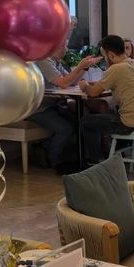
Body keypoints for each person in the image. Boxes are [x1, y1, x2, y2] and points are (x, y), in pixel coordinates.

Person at [28, 37, 102, 172]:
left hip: (53, 105)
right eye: (63, 47)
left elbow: (71, 82)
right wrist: (79, 66)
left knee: (79, 123)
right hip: (39, 108)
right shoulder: (44, 61)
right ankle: (53, 160)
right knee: (65, 129)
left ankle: (51, 150)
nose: (65, 50)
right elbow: (63, 83)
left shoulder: (57, 63)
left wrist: (85, 68)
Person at [79, 35, 134, 162]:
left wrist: (84, 85)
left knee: (86, 122)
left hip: (131, 124)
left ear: (111, 55)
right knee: (110, 115)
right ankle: (115, 154)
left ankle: (97, 160)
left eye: (104, 56)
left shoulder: (116, 68)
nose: (104, 59)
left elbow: (93, 93)